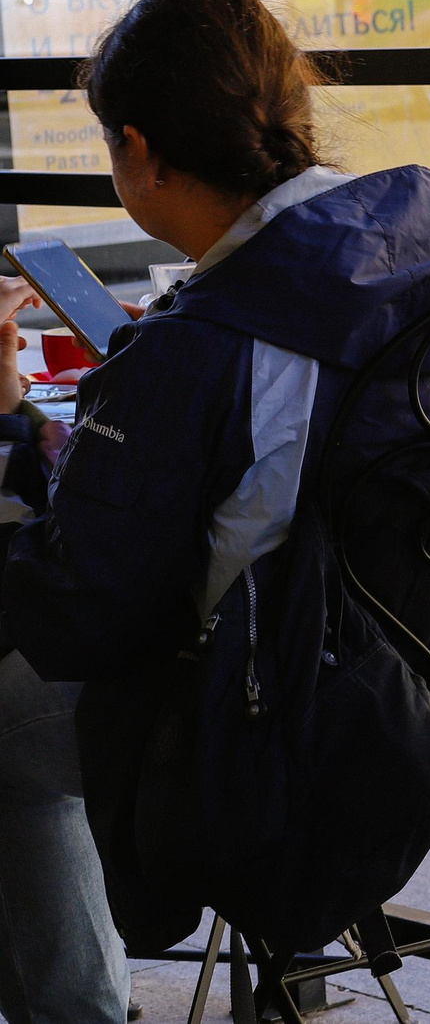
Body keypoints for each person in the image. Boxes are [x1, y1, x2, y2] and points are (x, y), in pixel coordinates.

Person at [3, 0, 430, 965]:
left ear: (138, 150)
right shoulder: (416, 254)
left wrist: (22, 444)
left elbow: (88, 611)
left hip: (329, 728)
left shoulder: (200, 346)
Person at [0, 263, 122, 1024]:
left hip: (242, 711)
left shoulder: (189, 339)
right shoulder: (344, 293)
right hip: (411, 697)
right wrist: (14, 409)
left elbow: (91, 540)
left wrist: (27, 429)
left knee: (10, 711)